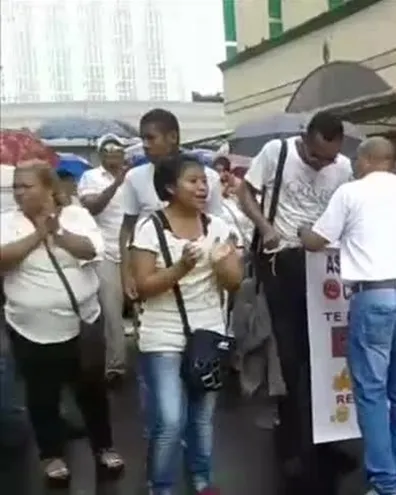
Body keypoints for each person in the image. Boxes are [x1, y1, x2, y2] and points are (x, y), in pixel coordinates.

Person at [299, 137, 396, 495]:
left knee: (371, 392)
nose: (353, 163)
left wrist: (299, 230)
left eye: (356, 157)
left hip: (373, 296)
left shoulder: (350, 193)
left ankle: (386, 483)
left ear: (369, 159)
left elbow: (316, 241)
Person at [237, 111, 353, 490]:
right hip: (280, 260)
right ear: (305, 137)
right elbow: (244, 193)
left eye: (330, 158)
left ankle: (325, 443)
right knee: (290, 359)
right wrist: (266, 227)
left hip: (325, 265)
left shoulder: (343, 167)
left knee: (327, 357)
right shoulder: (276, 153)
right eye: (317, 156)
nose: (323, 164)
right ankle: (292, 446)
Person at [0, 162, 123, 485]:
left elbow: (92, 250)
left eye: (27, 186)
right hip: (29, 328)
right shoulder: (7, 222)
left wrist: (57, 232)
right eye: (16, 187)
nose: (19, 192)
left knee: (91, 391)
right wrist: (38, 234)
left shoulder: (76, 215)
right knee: (42, 396)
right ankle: (51, 454)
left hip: (81, 324)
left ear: (48, 187)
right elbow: (2, 257)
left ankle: (104, 446)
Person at [129, 155, 244, 494]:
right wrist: (181, 267)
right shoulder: (150, 228)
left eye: (204, 181)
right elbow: (143, 287)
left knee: (202, 418)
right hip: (162, 334)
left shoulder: (219, 228)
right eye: (192, 181)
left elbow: (234, 283)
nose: (202, 187)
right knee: (169, 419)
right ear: (169, 188)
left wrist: (224, 265)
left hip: (208, 333)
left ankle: (202, 479)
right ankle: (161, 486)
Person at [119, 109, 225, 302]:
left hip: (199, 278)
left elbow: (219, 229)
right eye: (142, 139)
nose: (145, 145)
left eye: (151, 138)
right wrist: (126, 274)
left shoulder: (208, 178)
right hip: (152, 274)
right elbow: (127, 228)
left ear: (173, 137)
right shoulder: (134, 177)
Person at [79, 134, 130, 382]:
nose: (114, 155)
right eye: (108, 151)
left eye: (118, 151)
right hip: (106, 252)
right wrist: (116, 184)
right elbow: (93, 206)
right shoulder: (90, 177)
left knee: (148, 308)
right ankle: (115, 367)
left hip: (134, 249)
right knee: (112, 313)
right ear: (100, 154)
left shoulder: (134, 176)